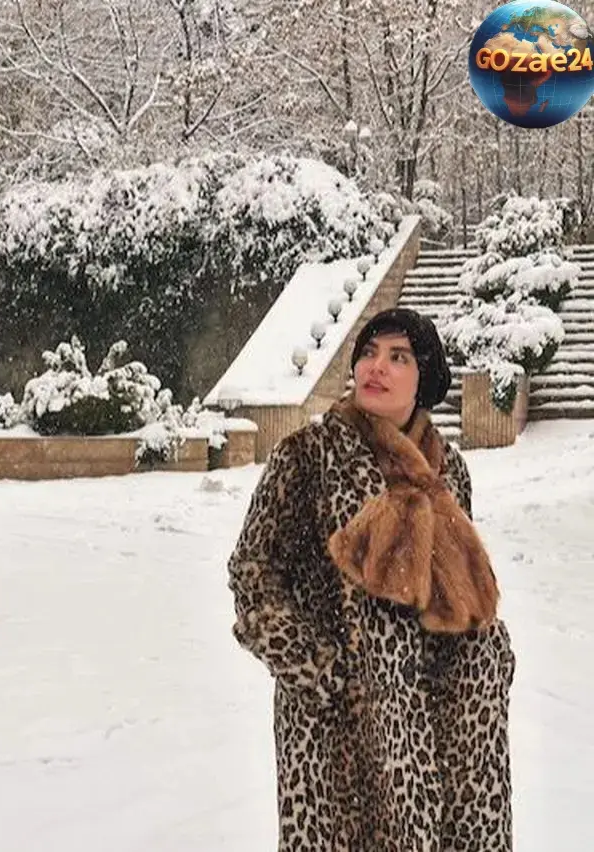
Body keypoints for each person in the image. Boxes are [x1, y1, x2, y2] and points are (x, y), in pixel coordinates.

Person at [227, 307, 515, 851]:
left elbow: (455, 591)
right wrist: (317, 671)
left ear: (424, 378)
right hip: (338, 732)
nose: (376, 367)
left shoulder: (448, 471)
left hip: (448, 722)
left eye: (398, 356)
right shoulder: (307, 457)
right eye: (368, 353)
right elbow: (252, 572)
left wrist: (489, 659)